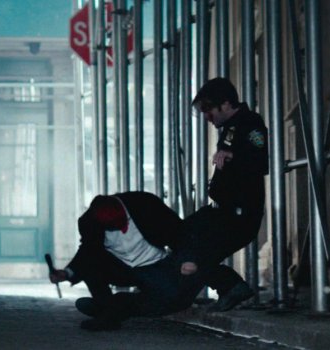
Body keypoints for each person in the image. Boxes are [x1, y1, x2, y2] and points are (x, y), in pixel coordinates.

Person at [49, 192, 206, 330]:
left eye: (121, 222)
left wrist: (188, 259)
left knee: (174, 301)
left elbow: (179, 231)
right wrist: (67, 273)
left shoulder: (145, 203)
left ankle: (114, 308)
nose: (120, 228)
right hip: (121, 267)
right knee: (92, 266)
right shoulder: (88, 221)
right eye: (112, 226)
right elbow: (88, 251)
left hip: (155, 265)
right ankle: (108, 312)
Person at [180, 77, 269, 312]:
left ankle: (231, 287)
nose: (207, 117)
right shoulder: (230, 128)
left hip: (239, 214)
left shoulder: (251, 123)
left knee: (200, 254)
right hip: (223, 210)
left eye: (209, 110)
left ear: (226, 104)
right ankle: (230, 287)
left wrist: (233, 157)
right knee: (181, 236)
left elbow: (262, 161)